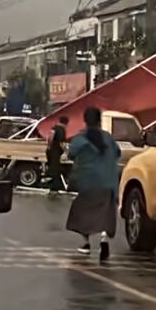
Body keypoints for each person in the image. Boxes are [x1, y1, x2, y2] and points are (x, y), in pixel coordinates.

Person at [65, 107, 122, 262]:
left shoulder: (80, 138)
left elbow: (71, 155)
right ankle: (104, 239)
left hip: (88, 183)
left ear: (85, 120)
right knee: (105, 213)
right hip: (108, 183)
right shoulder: (108, 138)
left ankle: (86, 243)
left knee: (82, 213)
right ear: (99, 121)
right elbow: (118, 153)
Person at [47, 116, 70, 195]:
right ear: (66, 123)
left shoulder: (54, 128)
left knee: (52, 168)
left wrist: (49, 147)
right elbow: (62, 143)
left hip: (50, 151)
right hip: (56, 152)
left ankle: (52, 185)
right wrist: (66, 151)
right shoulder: (61, 130)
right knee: (56, 169)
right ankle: (54, 188)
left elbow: (50, 138)